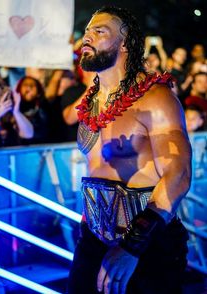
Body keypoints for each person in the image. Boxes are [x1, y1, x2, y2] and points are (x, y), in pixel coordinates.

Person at [67, 6, 192, 294]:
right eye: (87, 31)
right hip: (92, 239)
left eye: (100, 31)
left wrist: (133, 244)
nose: (88, 36)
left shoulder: (155, 98)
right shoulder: (90, 104)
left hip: (147, 244)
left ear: (124, 43)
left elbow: (179, 173)